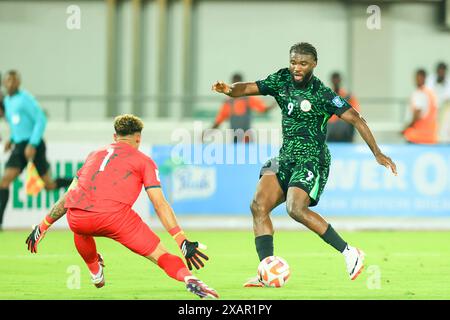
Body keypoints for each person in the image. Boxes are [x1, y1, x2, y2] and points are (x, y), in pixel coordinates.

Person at [211, 42, 397, 287]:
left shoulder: (323, 94)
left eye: (303, 63)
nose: (296, 67)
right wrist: (229, 89)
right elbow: (247, 88)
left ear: (314, 65)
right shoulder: (281, 79)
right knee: (258, 206)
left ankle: (349, 252)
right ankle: (266, 269)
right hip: (286, 156)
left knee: (295, 208)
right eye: (293, 62)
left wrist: (377, 153)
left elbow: (357, 119)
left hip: (312, 158)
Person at [25, 114, 219, 299]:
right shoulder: (144, 161)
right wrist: (181, 240)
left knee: (81, 226)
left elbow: (69, 196)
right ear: (138, 138)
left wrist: (42, 226)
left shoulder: (93, 155)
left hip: (77, 218)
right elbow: (159, 204)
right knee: (161, 255)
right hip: (116, 219)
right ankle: (189, 279)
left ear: (114, 137)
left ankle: (95, 271)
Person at [0, 70, 72, 229]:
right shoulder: (8, 102)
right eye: (8, 81)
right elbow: (18, 124)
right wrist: (11, 139)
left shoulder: (25, 99)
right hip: (20, 146)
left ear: (18, 82)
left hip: (34, 145)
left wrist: (32, 143)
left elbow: (41, 119)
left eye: (13, 81)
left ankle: (77, 181)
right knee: (4, 181)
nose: (10, 83)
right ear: (5, 83)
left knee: (50, 185)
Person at [205, 73, 274, 143]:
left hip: (247, 138)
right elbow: (218, 122)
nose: (236, 88)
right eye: (234, 85)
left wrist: (277, 101)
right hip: (235, 138)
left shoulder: (248, 99)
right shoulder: (228, 102)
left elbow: (264, 109)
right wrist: (206, 134)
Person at [402, 69, 438, 144]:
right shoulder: (430, 93)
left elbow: (417, 113)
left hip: (417, 136)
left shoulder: (420, 94)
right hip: (430, 136)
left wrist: (406, 128)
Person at [326, 72, 361, 142]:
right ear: (331, 81)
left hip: (345, 130)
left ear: (340, 80)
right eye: (334, 79)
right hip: (330, 130)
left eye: (337, 79)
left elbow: (356, 112)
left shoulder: (348, 96)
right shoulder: (326, 96)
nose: (336, 81)